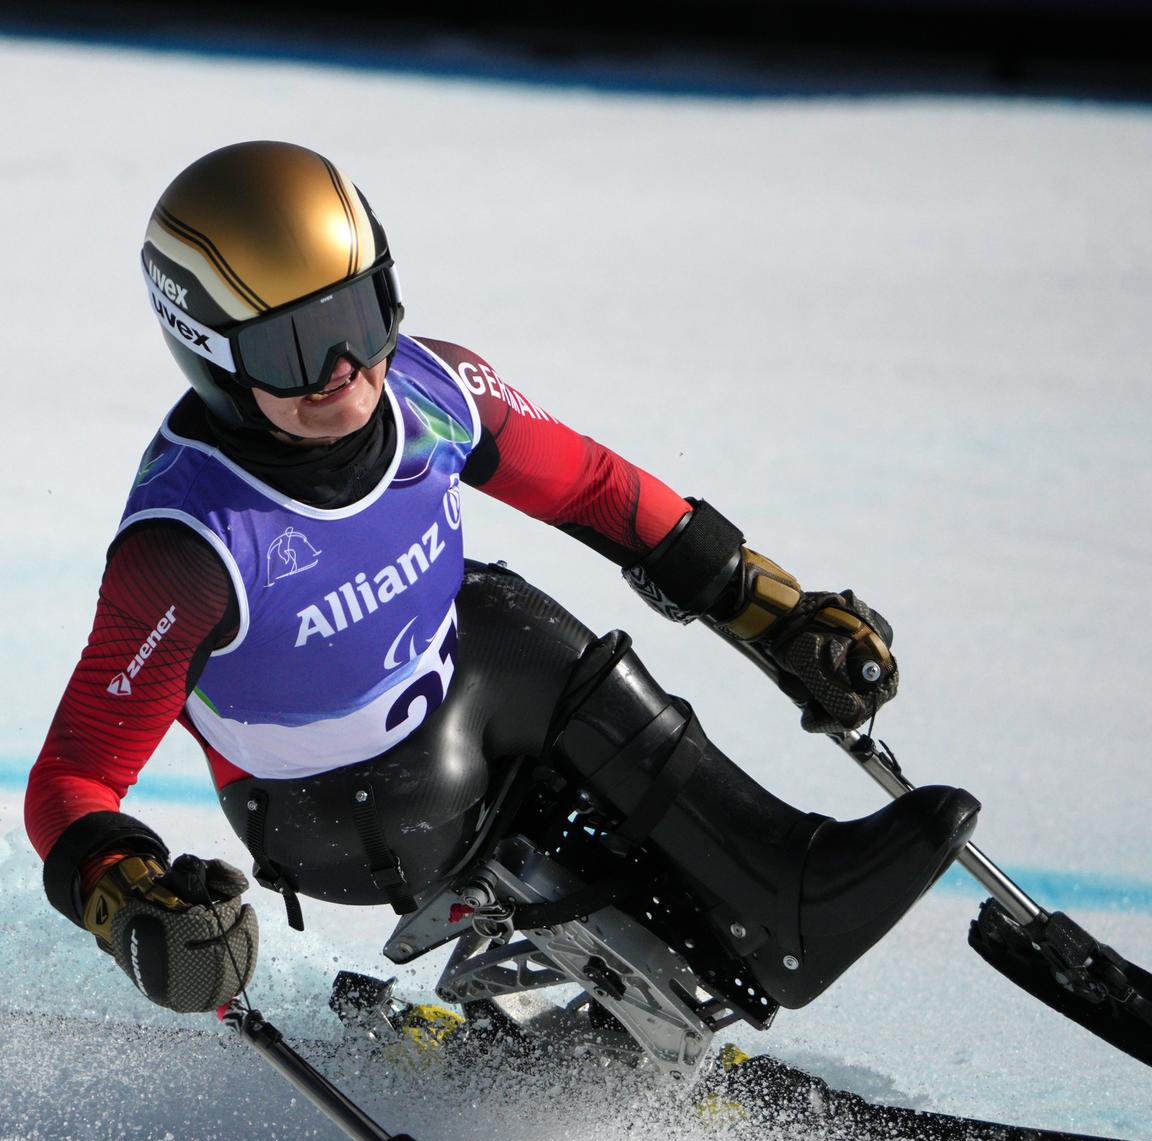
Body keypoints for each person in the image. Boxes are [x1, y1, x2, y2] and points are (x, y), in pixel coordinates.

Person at [24, 141, 978, 1021]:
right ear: (212, 352)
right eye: (294, 350)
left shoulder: (435, 393)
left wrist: (764, 604)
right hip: (335, 816)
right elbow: (73, 776)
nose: (345, 371)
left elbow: (597, 490)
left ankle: (692, 946)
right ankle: (762, 910)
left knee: (496, 611)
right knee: (501, 618)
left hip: (448, 704)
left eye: (357, 319)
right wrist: (127, 896)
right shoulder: (189, 548)